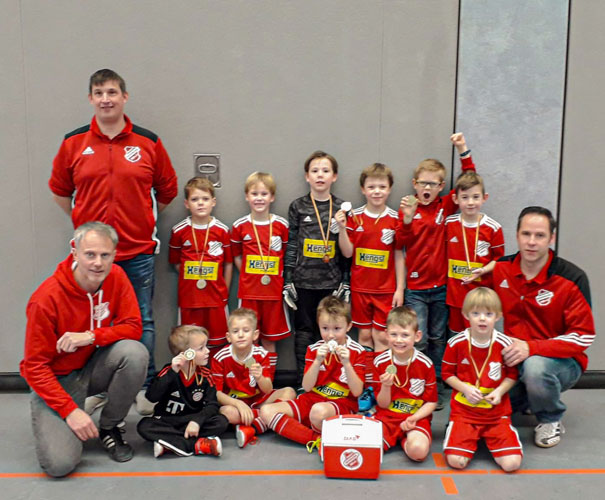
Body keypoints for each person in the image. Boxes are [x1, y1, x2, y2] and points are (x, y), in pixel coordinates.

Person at [48, 69, 178, 414]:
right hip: (91, 257)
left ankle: (143, 388)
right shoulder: (73, 143)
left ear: (124, 97)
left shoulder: (148, 142)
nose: (106, 99)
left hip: (137, 251)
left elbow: (166, 190)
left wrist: (143, 219)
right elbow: (60, 191)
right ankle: (98, 388)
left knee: (142, 320)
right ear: (90, 99)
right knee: (92, 323)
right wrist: (84, 225)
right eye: (99, 93)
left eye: (112, 92)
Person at [20, 222, 148, 477]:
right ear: (75, 252)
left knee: (134, 353)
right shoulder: (46, 299)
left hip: (92, 368)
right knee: (59, 465)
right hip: (56, 380)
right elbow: (33, 367)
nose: (98, 263)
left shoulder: (116, 277)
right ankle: (73, 409)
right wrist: (69, 411)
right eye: (90, 254)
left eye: (105, 255)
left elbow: (133, 327)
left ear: (114, 255)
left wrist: (90, 337)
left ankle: (109, 426)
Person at [491, 206, 595, 448]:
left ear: (551, 238)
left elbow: (583, 337)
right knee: (487, 401)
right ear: (517, 235)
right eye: (526, 234)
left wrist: (531, 348)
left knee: (535, 368)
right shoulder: (501, 269)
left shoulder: (572, 278)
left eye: (539, 235)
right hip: (513, 358)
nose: (531, 242)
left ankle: (550, 418)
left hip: (559, 363)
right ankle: (527, 399)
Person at [399, 132, 476, 408]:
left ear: (442, 186)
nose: (427, 188)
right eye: (423, 183)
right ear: (415, 184)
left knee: (438, 339)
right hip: (416, 290)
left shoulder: (445, 204)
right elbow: (399, 242)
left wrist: (463, 149)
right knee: (418, 340)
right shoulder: (407, 207)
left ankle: (439, 386)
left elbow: (470, 181)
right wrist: (407, 220)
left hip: (442, 287)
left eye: (433, 184)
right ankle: (419, 386)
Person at [260, 296, 366, 450]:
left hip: (340, 403)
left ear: (348, 326)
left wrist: (347, 364)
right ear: (319, 326)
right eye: (325, 328)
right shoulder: (314, 349)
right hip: (311, 399)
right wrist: (317, 361)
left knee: (318, 412)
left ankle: (300, 429)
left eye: (337, 328)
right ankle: (315, 439)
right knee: (266, 411)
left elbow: (357, 392)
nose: (330, 335)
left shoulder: (357, 351)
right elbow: (307, 387)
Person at [283, 151, 351, 388]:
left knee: (333, 333)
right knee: (304, 332)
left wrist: (346, 280)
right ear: (307, 176)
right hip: (302, 282)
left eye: (325, 171)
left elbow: (346, 248)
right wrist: (288, 279)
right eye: (314, 171)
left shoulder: (341, 207)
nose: (320, 175)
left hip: (331, 283)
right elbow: (292, 244)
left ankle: (330, 382)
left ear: (334, 176)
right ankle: (303, 383)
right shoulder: (298, 206)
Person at [442, 287, 522, 472]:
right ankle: (467, 438)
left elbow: (512, 375)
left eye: (488, 314)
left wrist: (499, 391)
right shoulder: (455, 343)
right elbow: (447, 374)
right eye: (476, 313)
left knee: (512, 464)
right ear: (466, 315)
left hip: (496, 415)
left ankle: (488, 439)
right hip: (464, 413)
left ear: (498, 316)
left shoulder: (505, 344)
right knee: (456, 462)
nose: (482, 318)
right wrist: (465, 389)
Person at [335, 162, 404, 352]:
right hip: (360, 288)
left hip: (386, 290)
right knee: (364, 335)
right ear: (363, 189)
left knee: (382, 336)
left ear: (389, 189)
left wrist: (400, 289)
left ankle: (380, 371)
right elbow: (347, 253)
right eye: (371, 187)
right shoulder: (354, 216)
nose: (377, 191)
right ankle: (366, 371)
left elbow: (399, 255)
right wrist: (342, 228)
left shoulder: (395, 219)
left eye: (382, 187)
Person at [138, 325, 228, 457]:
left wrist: (197, 421)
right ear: (187, 354)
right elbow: (151, 397)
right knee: (144, 426)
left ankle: (169, 444)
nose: (208, 351)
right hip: (168, 421)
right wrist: (172, 372)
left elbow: (212, 405)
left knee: (221, 421)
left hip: (192, 420)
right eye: (201, 348)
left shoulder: (205, 375)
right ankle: (196, 445)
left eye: (206, 346)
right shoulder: (168, 372)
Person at [211, 308, 296, 448]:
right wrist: (238, 404)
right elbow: (217, 393)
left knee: (289, 392)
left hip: (260, 401)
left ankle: (252, 424)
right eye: (235, 331)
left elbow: (268, 389)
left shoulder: (261, 354)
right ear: (228, 336)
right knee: (225, 412)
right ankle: (265, 420)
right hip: (235, 403)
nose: (240, 335)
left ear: (255, 334)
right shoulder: (220, 358)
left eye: (246, 330)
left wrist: (260, 377)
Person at [169, 177, 233, 355]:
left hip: (216, 298)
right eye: (195, 199)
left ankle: (217, 373)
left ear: (213, 202)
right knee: (189, 345)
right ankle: (191, 373)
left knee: (219, 344)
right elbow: (175, 263)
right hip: (190, 300)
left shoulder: (222, 230)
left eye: (205, 199)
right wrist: (194, 276)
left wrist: (224, 292)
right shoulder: (178, 231)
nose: (200, 203)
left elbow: (228, 264)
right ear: (186, 204)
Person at [231, 172, 290, 352]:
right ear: (246, 196)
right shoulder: (239, 226)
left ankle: (268, 372)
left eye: (264, 194)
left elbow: (286, 254)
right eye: (254, 194)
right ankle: (251, 372)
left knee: (269, 341)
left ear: (272, 197)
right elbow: (236, 256)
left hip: (273, 293)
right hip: (249, 292)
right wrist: (249, 273)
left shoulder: (282, 225)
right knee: (248, 341)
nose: (259, 198)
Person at [371, 307, 437, 462]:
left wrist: (414, 418)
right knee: (368, 446)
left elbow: (431, 402)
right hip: (387, 417)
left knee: (418, 451)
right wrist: (386, 386)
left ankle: (406, 439)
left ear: (417, 336)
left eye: (405, 335)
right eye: (394, 334)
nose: (399, 340)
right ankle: (392, 436)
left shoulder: (426, 364)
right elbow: (382, 404)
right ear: (386, 335)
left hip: (415, 417)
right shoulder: (380, 362)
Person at [444, 171, 504, 335]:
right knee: (456, 336)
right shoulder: (448, 224)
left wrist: (483, 270)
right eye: (465, 197)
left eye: (475, 197)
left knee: (480, 336)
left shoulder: (493, 228)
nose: (470, 202)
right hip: (455, 296)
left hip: (481, 296)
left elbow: (499, 260)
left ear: (484, 198)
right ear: (455, 199)